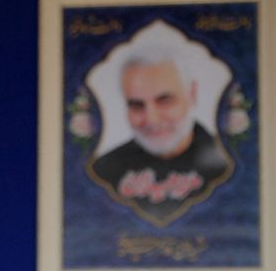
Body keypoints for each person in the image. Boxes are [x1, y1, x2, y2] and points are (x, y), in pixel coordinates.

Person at [88, 45, 232, 226]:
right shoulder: (102, 173)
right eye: (137, 105)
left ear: (192, 95)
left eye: (165, 101)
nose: (152, 119)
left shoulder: (228, 166)